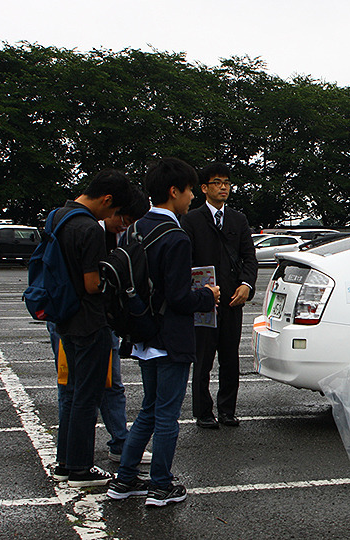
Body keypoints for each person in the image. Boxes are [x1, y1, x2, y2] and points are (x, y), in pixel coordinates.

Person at [107, 158, 219, 507]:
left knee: (149, 410)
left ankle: (125, 480)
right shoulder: (176, 236)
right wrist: (208, 295)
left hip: (143, 334)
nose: (191, 199)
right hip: (171, 337)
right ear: (175, 191)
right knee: (167, 414)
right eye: (189, 191)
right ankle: (160, 485)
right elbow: (178, 297)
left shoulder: (135, 228)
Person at [49, 186, 152, 480]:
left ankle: (65, 462)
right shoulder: (88, 228)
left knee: (71, 393)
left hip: (64, 316)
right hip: (90, 321)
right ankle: (80, 466)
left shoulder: (58, 216)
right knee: (87, 395)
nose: (118, 221)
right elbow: (93, 284)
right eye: (119, 214)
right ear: (109, 201)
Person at [182, 163, 257, 429]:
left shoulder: (238, 219)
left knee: (230, 357)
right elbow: (187, 259)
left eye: (227, 182)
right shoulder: (191, 220)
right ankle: (203, 411)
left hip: (232, 300)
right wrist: (199, 292)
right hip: (204, 301)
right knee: (202, 359)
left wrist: (247, 285)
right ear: (204, 188)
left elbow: (250, 257)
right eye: (217, 182)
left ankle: (227, 410)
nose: (224, 187)